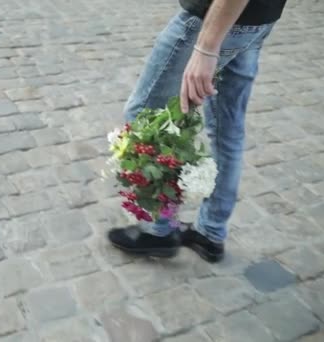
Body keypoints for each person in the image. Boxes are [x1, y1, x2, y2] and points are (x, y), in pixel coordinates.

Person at [108, 0, 287, 262]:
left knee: (147, 116)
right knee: (228, 131)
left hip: (212, 19)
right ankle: (210, 232)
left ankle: (158, 230)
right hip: (258, 19)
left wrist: (206, 47)